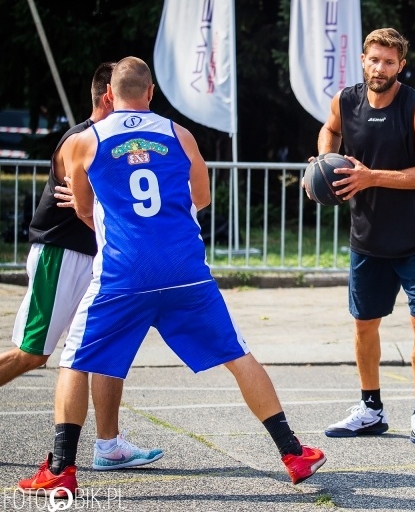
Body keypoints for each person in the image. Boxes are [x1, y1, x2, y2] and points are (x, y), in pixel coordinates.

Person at [18, 57, 325, 497]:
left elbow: (83, 208)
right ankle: (293, 452)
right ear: (150, 93)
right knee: (238, 356)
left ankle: (62, 469)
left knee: (74, 360)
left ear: (110, 95)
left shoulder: (83, 142)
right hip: (183, 268)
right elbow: (201, 197)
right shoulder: (179, 135)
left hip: (123, 272)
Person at [0, 62, 163, 471]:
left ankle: (109, 445)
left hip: (101, 261)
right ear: (111, 96)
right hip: (62, 256)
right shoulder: (82, 140)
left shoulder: (117, 142)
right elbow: (90, 207)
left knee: (106, 349)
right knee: (32, 353)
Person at [315, 28, 415, 448]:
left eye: (389, 62)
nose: (380, 68)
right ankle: (371, 409)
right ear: (363, 59)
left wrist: (371, 176)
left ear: (401, 66)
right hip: (368, 235)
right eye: (374, 59)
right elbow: (330, 129)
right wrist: (324, 160)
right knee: (363, 326)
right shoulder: (345, 100)